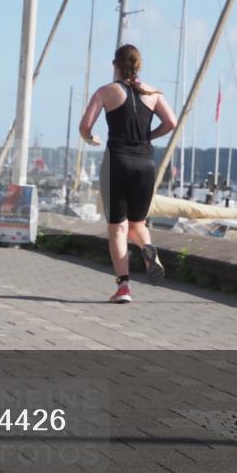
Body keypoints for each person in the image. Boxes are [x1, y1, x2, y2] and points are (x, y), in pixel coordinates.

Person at [78, 44, 177, 303]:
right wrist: (149, 135)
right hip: (145, 163)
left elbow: (85, 127)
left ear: (115, 65)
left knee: (118, 228)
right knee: (137, 224)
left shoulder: (106, 91)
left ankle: (123, 287)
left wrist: (91, 139)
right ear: (139, 65)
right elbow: (171, 122)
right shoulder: (153, 93)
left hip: (117, 162)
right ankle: (148, 250)